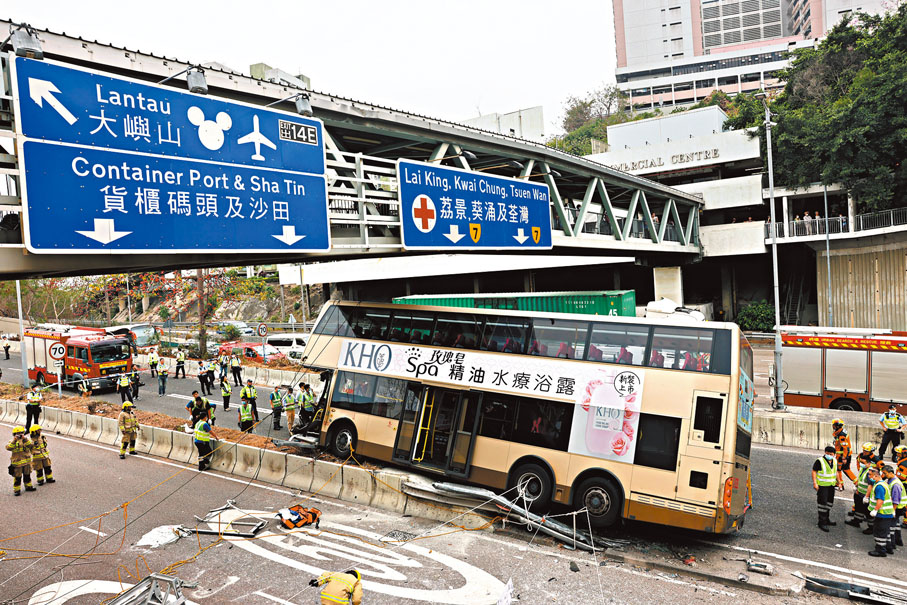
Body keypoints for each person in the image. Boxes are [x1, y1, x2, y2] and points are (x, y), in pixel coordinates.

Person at [846, 445, 877, 529]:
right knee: (858, 508)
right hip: (860, 493)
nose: (861, 464)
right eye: (861, 462)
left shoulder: (870, 472)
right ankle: (856, 521)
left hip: (866, 495)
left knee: (868, 512)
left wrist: (867, 497)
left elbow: (871, 485)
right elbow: (861, 480)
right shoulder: (864, 469)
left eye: (863, 463)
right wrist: (857, 487)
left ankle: (871, 527)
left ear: (869, 463)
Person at [867, 467, 896, 556]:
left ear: (875, 476)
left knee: (879, 532)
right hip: (887, 513)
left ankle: (880, 550)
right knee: (885, 532)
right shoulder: (882, 483)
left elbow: (880, 500)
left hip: (882, 514)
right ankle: (888, 548)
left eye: (870, 475)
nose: (869, 476)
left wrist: (875, 510)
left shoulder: (879, 486)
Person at [813, 445, 843, 531]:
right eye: (827, 453)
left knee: (829, 503)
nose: (829, 455)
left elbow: (836, 472)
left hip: (831, 486)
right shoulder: (820, 461)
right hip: (822, 486)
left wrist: (839, 482)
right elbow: (814, 471)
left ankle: (826, 519)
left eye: (831, 454)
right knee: (822, 503)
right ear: (825, 453)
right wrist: (815, 483)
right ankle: (822, 522)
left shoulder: (834, 461)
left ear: (834, 454)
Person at [6, 426, 36, 495]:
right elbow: (8, 447)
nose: (19, 435)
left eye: (21, 433)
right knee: (17, 477)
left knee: (27, 475)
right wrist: (14, 440)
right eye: (18, 433)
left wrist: (24, 439)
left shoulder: (27, 440)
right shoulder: (12, 441)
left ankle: (28, 486)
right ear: (14, 434)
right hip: (17, 463)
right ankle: (17, 490)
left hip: (27, 462)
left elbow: (31, 446)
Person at [883, 464, 905, 549]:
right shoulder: (891, 480)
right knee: (896, 524)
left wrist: (892, 511)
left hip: (897, 508)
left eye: (885, 473)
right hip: (899, 507)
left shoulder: (895, 484)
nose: (884, 475)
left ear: (891, 473)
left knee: (891, 527)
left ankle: (891, 545)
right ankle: (898, 540)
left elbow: (896, 500)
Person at [833, 419, 856, 484]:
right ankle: (840, 484)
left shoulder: (841, 435)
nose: (833, 426)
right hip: (843, 455)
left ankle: (855, 483)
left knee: (843, 470)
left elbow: (845, 447)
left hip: (842, 456)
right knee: (839, 469)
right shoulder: (841, 432)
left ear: (837, 426)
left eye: (834, 425)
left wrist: (844, 458)